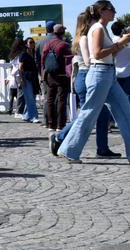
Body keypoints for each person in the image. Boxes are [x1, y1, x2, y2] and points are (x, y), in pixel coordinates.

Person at [57, 1, 130, 165]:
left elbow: (107, 55)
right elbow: (97, 53)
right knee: (89, 114)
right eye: (112, 9)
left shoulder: (101, 29)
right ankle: (68, 149)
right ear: (102, 11)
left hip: (107, 73)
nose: (115, 11)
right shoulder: (97, 28)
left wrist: (120, 45)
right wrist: (121, 43)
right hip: (100, 73)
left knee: (125, 113)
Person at [49, 12, 116, 158]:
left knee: (100, 114)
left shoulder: (84, 37)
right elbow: (87, 61)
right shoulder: (84, 38)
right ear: (88, 22)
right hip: (87, 76)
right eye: (93, 20)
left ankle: (102, 148)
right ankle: (60, 137)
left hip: (86, 77)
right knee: (87, 115)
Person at [41, 25, 71, 132]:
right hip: (62, 75)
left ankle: (50, 124)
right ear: (62, 33)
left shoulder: (47, 44)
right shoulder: (65, 45)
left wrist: (45, 72)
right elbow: (69, 62)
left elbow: (43, 60)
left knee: (50, 99)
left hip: (50, 75)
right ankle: (60, 124)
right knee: (61, 100)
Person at [8, 38, 40, 123]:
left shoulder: (34, 53)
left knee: (31, 97)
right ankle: (33, 117)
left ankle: (26, 115)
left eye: (33, 42)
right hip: (26, 78)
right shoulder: (23, 54)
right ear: (26, 44)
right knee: (30, 98)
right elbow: (20, 68)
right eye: (30, 42)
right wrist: (21, 79)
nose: (33, 43)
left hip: (33, 78)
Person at [110, 21, 130, 112]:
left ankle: (114, 118)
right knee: (128, 95)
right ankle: (129, 116)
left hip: (114, 73)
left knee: (114, 97)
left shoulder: (111, 41)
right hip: (126, 72)